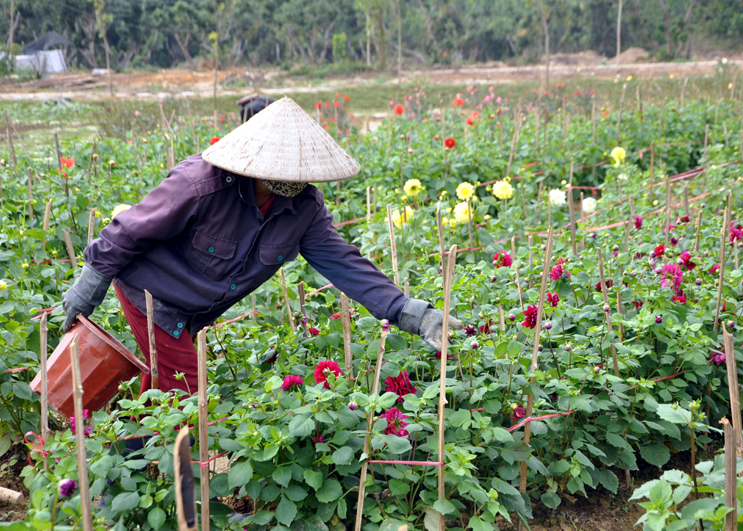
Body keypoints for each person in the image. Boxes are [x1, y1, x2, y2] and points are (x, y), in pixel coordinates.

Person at [61, 96, 462, 397]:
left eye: (302, 171)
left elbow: (344, 262)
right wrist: (86, 291)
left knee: (163, 391)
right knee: (189, 391)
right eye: (285, 169)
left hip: (196, 307)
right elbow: (126, 231)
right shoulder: (200, 184)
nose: (295, 179)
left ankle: (124, 467)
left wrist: (412, 313)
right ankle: (194, 500)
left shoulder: (303, 207)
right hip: (152, 294)